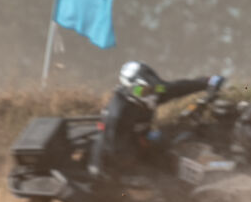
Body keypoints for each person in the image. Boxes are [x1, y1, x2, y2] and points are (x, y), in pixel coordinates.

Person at [96, 61, 225, 176]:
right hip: (116, 166)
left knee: (178, 135)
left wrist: (207, 82)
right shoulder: (118, 114)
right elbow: (115, 153)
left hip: (142, 144)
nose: (151, 95)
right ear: (129, 88)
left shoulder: (154, 91)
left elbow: (176, 88)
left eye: (154, 89)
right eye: (144, 91)